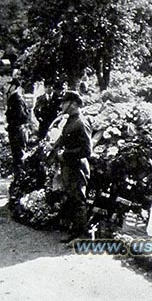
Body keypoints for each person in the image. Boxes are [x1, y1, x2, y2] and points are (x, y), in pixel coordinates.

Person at [56, 91, 92, 242]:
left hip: (77, 166)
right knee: (71, 196)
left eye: (65, 102)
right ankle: (74, 231)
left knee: (78, 198)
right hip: (69, 166)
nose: (62, 105)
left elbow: (87, 150)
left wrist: (66, 154)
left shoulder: (81, 122)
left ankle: (80, 235)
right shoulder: (71, 121)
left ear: (74, 104)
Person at [5, 78, 29, 177]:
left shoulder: (17, 99)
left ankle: (20, 178)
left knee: (19, 155)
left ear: (14, 86)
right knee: (16, 154)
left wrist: (13, 124)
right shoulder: (13, 98)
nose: (7, 87)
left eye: (9, 85)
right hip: (14, 130)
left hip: (17, 131)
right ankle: (18, 177)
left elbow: (22, 116)